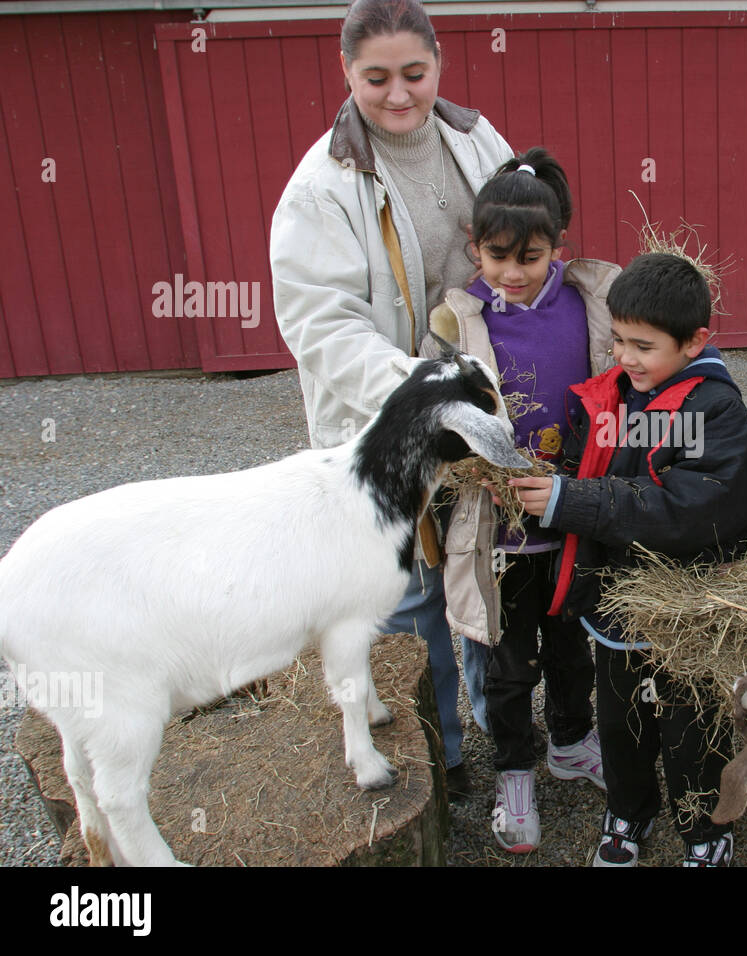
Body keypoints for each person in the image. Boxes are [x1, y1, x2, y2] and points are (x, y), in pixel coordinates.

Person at [268, 0, 513, 802]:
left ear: (439, 61)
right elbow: (321, 324)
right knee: (406, 595)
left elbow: (521, 249)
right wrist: (421, 396)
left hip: (479, 406)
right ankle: (437, 753)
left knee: (483, 565)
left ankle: (500, 727)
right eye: (377, 78)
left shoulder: (479, 142)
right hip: (390, 422)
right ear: (346, 75)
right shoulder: (320, 190)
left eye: (414, 73)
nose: (399, 95)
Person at [511, 252, 747, 866]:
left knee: (693, 727)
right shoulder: (617, 397)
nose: (625, 358)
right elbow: (583, 467)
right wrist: (540, 482)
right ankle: (628, 811)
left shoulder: (715, 411)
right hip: (619, 605)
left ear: (695, 342)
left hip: (691, 608)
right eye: (618, 341)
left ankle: (705, 828)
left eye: (643, 346)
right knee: (623, 721)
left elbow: (686, 509)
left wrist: (570, 500)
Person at [419, 147, 614, 852]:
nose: (512, 271)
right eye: (496, 256)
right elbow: (439, 416)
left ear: (557, 247)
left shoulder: (591, 302)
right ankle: (514, 775)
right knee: (506, 661)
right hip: (498, 529)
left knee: (570, 647)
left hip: (570, 516)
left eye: (529, 256)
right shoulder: (458, 320)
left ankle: (569, 741)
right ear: (475, 248)